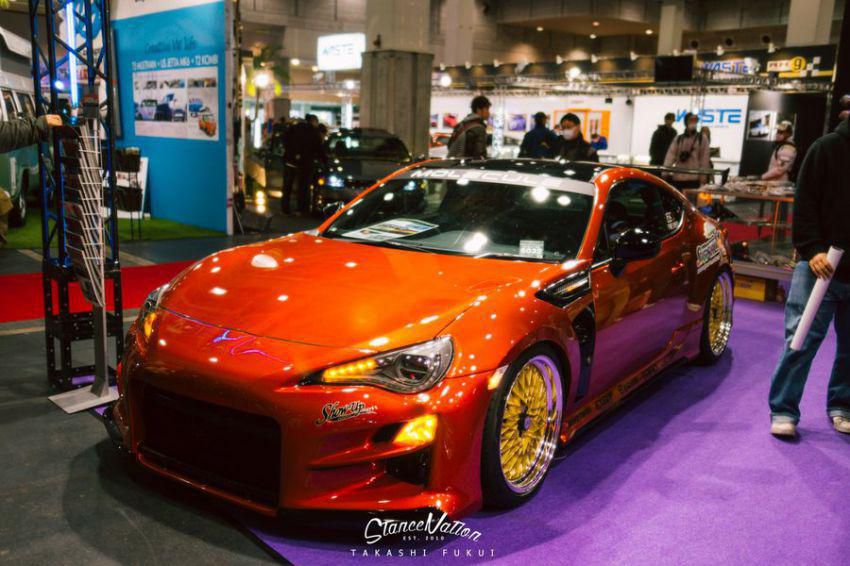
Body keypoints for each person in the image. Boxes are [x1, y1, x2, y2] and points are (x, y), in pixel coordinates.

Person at [767, 116, 850, 438]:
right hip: (820, 267)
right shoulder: (826, 148)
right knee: (799, 341)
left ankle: (842, 405)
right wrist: (813, 249)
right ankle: (783, 409)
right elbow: (804, 203)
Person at [281, 114, 325, 215]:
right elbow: (319, 148)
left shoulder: (294, 128)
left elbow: (285, 139)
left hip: (290, 161)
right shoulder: (313, 132)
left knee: (287, 186)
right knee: (303, 187)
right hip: (305, 163)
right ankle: (302, 208)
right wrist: (324, 161)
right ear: (313, 121)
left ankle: (285, 207)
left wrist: (291, 153)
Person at [663, 112, 710, 190]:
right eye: (691, 120)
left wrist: (703, 179)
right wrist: (664, 173)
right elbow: (670, 156)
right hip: (678, 179)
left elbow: (704, 159)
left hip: (693, 179)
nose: (693, 122)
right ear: (686, 122)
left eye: (695, 120)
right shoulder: (678, 139)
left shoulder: (702, 139)